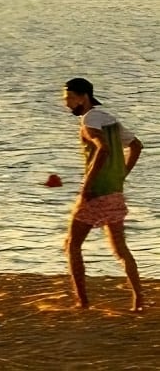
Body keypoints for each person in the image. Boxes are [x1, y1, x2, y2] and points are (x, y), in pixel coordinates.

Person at [62, 76, 144, 311]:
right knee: (121, 249)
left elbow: (103, 149)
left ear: (83, 98)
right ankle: (138, 299)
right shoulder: (110, 120)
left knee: (72, 245)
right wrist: (121, 174)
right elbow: (136, 146)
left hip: (95, 192)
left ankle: (82, 302)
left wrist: (87, 186)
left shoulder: (89, 120)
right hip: (115, 192)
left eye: (70, 98)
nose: (66, 103)